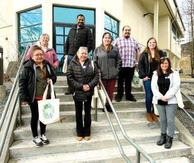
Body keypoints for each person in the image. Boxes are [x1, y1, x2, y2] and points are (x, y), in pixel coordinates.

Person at [19, 45, 57, 147]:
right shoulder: (28, 67)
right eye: (37, 55)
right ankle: (35, 137)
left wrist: (51, 79)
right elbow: (22, 82)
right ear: (32, 56)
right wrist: (23, 97)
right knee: (35, 117)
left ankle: (43, 134)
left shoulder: (47, 65)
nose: (39, 56)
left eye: (41, 54)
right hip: (34, 97)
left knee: (44, 117)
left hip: (46, 96)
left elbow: (54, 76)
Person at [66, 47, 99, 141]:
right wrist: (81, 86)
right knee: (78, 113)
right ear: (77, 53)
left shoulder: (92, 63)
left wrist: (89, 85)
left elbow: (96, 76)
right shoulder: (72, 63)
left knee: (88, 113)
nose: (84, 55)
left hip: (88, 91)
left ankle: (87, 132)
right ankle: (79, 132)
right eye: (82, 53)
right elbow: (69, 77)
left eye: (85, 53)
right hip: (77, 92)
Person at [151, 57, 180, 149]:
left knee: (170, 120)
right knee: (162, 119)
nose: (164, 65)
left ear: (169, 64)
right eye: (162, 63)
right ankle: (163, 136)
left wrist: (167, 96)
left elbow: (176, 86)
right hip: (159, 100)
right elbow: (153, 88)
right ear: (160, 65)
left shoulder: (174, 74)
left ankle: (170, 138)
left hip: (171, 101)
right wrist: (161, 97)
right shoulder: (155, 74)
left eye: (166, 63)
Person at [138, 37, 167, 122]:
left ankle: (154, 112)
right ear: (148, 44)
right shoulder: (144, 54)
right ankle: (148, 112)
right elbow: (140, 65)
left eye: (153, 42)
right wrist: (143, 76)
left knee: (156, 96)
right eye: (150, 42)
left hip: (158, 78)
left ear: (156, 44)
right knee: (149, 95)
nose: (152, 44)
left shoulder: (160, 53)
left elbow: (165, 64)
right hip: (148, 78)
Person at [65, 14, 94, 95]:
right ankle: (70, 89)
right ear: (76, 20)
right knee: (70, 73)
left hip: (81, 56)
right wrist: (65, 53)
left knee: (80, 73)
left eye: (82, 20)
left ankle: (79, 88)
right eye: (79, 19)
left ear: (84, 21)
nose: (80, 21)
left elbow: (90, 42)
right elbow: (67, 42)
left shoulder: (87, 30)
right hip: (71, 55)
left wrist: (84, 53)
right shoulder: (71, 30)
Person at [93, 32, 121, 112]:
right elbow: (94, 62)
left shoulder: (115, 49)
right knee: (103, 91)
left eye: (109, 38)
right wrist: (97, 71)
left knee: (110, 92)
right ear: (103, 39)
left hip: (112, 75)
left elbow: (119, 61)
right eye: (105, 38)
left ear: (111, 40)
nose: (107, 39)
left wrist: (116, 70)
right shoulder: (97, 50)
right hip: (102, 75)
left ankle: (108, 105)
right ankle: (103, 105)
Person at [112, 25, 141, 102]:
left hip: (131, 65)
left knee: (128, 81)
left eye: (129, 30)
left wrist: (137, 61)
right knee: (120, 81)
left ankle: (128, 95)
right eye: (126, 30)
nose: (127, 31)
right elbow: (112, 51)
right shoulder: (117, 40)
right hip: (121, 65)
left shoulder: (134, 40)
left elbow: (138, 51)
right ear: (122, 31)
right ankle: (119, 95)